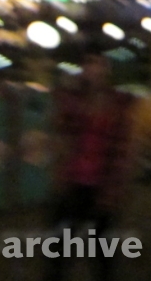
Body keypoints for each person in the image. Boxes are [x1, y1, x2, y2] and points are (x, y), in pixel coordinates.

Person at [50, 47, 138, 281]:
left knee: (103, 253)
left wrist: (116, 187)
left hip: (102, 184)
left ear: (107, 69)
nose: (93, 69)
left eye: (99, 63)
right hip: (73, 182)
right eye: (89, 63)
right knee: (59, 251)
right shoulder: (71, 98)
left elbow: (124, 147)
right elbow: (60, 134)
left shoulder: (119, 104)